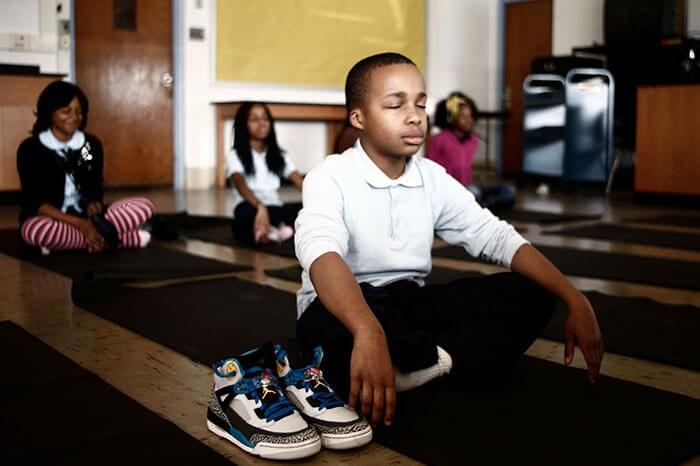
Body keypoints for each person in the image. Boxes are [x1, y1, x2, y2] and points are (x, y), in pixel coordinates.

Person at [294, 53, 604, 429]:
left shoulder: (432, 178)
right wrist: (366, 329)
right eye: (395, 104)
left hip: (406, 303)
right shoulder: (330, 176)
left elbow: (496, 237)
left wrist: (575, 298)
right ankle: (420, 359)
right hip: (341, 308)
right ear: (358, 118)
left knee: (533, 293)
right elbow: (321, 252)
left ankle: (421, 368)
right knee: (339, 332)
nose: (414, 115)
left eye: (421, 104)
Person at [17, 80, 154, 253]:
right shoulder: (31, 149)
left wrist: (93, 205)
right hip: (51, 218)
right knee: (35, 229)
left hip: (87, 217)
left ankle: (72, 241)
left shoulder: (89, 145)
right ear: (49, 112)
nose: (74, 117)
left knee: (144, 205)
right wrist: (79, 224)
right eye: (66, 111)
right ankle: (118, 238)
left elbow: (94, 185)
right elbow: (35, 202)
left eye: (79, 112)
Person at [226, 102, 304, 244]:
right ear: (244, 125)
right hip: (252, 206)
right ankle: (278, 229)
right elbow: (239, 183)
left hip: (275, 207)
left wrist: (319, 199)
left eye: (265, 118)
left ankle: (271, 230)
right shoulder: (235, 154)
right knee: (244, 213)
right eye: (255, 120)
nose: (262, 123)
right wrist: (259, 206)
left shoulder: (279, 155)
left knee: (302, 208)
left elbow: (299, 180)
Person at [428, 91, 515, 209]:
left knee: (508, 190)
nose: (468, 120)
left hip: (469, 187)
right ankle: (481, 207)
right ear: (451, 117)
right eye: (463, 116)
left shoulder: (473, 141)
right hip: (449, 192)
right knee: (473, 193)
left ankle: (482, 206)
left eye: (470, 116)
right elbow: (429, 170)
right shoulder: (438, 140)